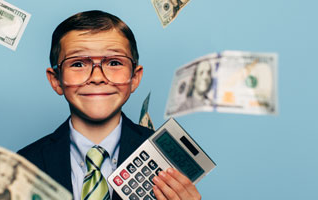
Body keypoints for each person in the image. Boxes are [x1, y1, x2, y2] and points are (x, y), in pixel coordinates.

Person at [17, 10, 201, 200]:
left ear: (135, 78)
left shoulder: (170, 159)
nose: (97, 78)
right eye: (78, 64)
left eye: (114, 62)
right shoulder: (24, 164)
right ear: (56, 80)